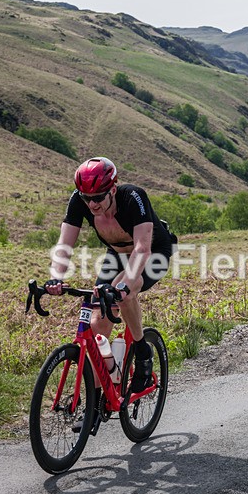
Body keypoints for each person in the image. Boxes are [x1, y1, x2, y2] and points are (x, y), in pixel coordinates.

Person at [46, 157, 176, 394]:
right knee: (97, 323)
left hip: (152, 252)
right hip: (116, 254)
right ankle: (97, 398)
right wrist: (56, 277)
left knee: (122, 294)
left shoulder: (133, 197)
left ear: (112, 190)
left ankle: (142, 352)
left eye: (97, 198)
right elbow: (64, 244)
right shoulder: (79, 201)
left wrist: (125, 284)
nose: (92, 204)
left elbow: (142, 249)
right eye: (87, 198)